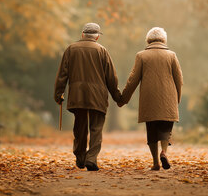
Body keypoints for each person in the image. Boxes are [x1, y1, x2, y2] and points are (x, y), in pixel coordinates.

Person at [54, 22, 121, 171]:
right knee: (96, 128)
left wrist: (58, 94)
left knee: (80, 127)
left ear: (83, 34)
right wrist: (117, 97)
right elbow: (111, 77)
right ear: (97, 37)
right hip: (98, 96)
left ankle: (80, 157)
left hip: (77, 95)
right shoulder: (102, 51)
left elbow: (62, 75)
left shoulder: (71, 49)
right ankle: (91, 158)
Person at [118, 27, 183, 171]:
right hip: (168, 98)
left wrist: (124, 98)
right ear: (163, 39)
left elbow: (133, 79)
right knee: (166, 128)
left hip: (149, 98)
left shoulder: (141, 56)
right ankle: (164, 152)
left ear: (148, 40)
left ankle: (155, 163)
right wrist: (177, 98)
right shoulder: (171, 55)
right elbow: (179, 79)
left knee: (152, 130)